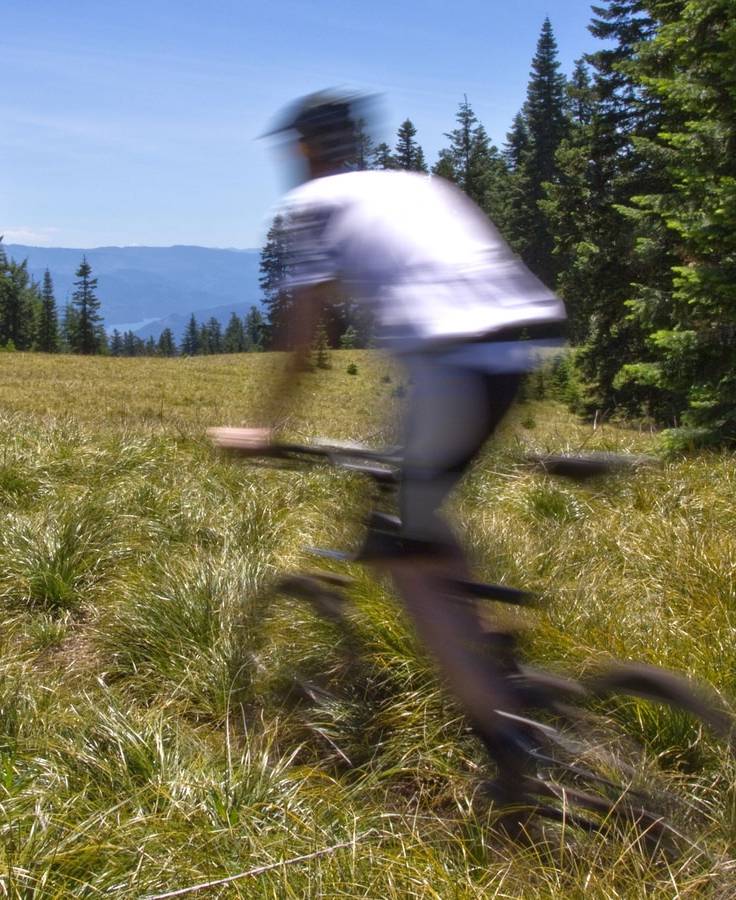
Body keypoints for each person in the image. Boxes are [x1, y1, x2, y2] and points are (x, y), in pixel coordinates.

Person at [210, 90, 568, 796]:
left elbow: (303, 336)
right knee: (425, 512)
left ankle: (512, 751)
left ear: (305, 149)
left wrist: (266, 428)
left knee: (406, 560)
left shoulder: (313, 203)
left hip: (448, 359)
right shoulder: (417, 184)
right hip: (517, 346)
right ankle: (494, 648)